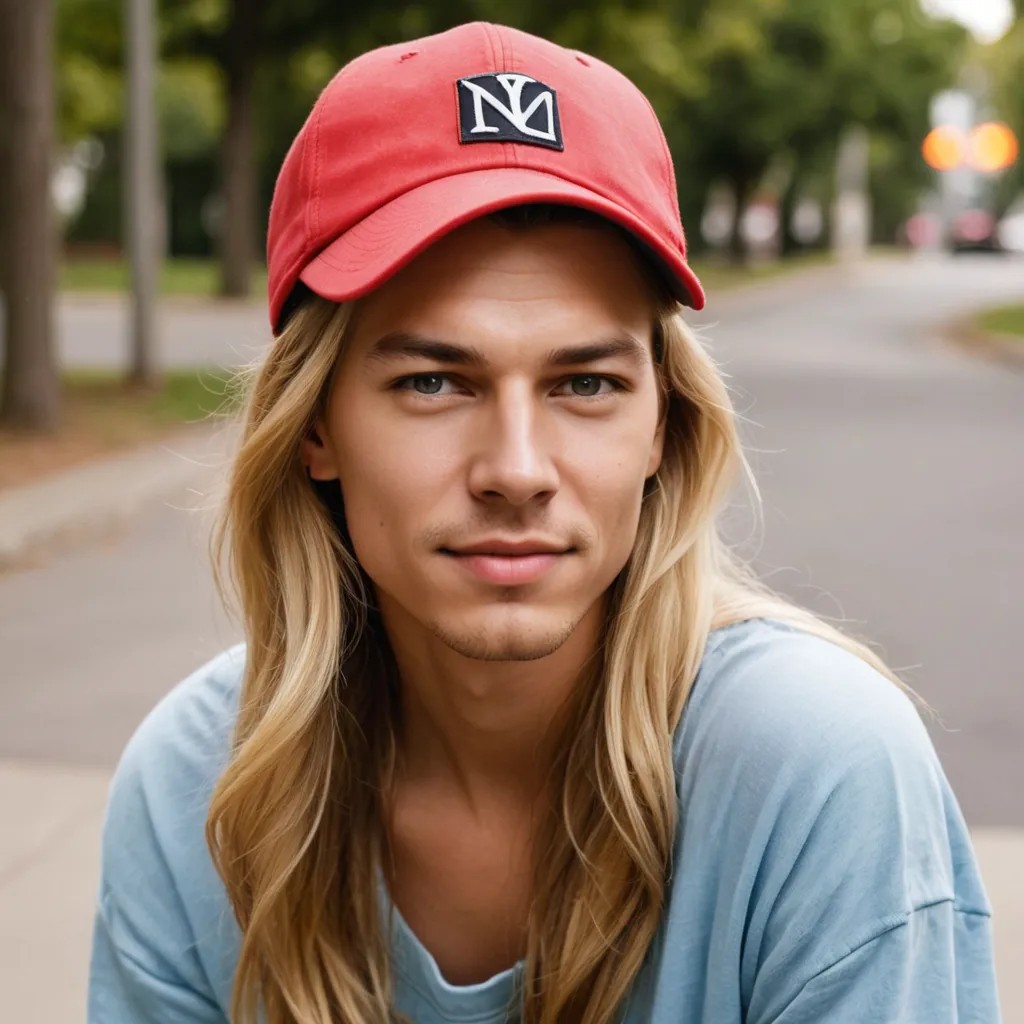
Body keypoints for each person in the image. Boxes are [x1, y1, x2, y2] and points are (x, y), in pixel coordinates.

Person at [87, 21, 1000, 1024]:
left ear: (663, 426)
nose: (516, 470)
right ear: (315, 428)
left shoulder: (815, 772)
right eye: (433, 380)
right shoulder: (198, 791)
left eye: (586, 383)